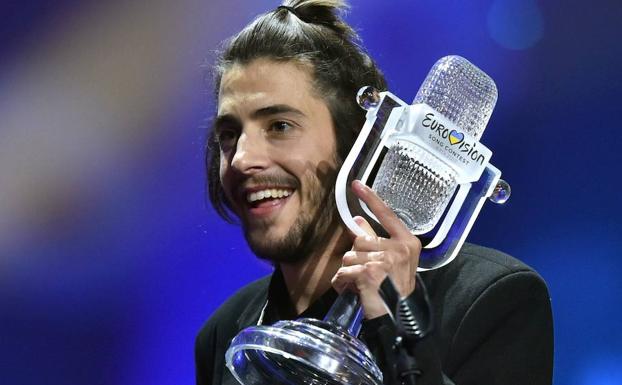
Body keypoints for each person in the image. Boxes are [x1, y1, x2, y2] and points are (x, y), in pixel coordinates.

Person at [195, 1, 554, 384]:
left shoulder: (491, 301)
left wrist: (400, 333)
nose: (241, 159)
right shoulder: (224, 332)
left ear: (358, 142)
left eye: (280, 126)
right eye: (229, 135)